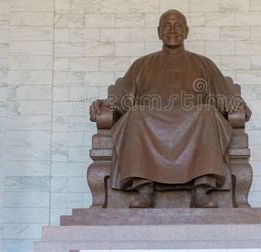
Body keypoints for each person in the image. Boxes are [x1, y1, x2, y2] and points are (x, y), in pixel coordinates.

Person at [90, 10, 251, 208]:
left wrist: (234, 103)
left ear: (186, 31)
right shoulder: (141, 65)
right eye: (167, 26)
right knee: (135, 114)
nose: (172, 30)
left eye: (178, 26)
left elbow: (224, 96)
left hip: (195, 121)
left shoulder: (204, 64)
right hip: (149, 122)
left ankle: (201, 189)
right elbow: (122, 99)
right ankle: (144, 188)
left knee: (208, 113)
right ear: (158, 32)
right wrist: (105, 105)